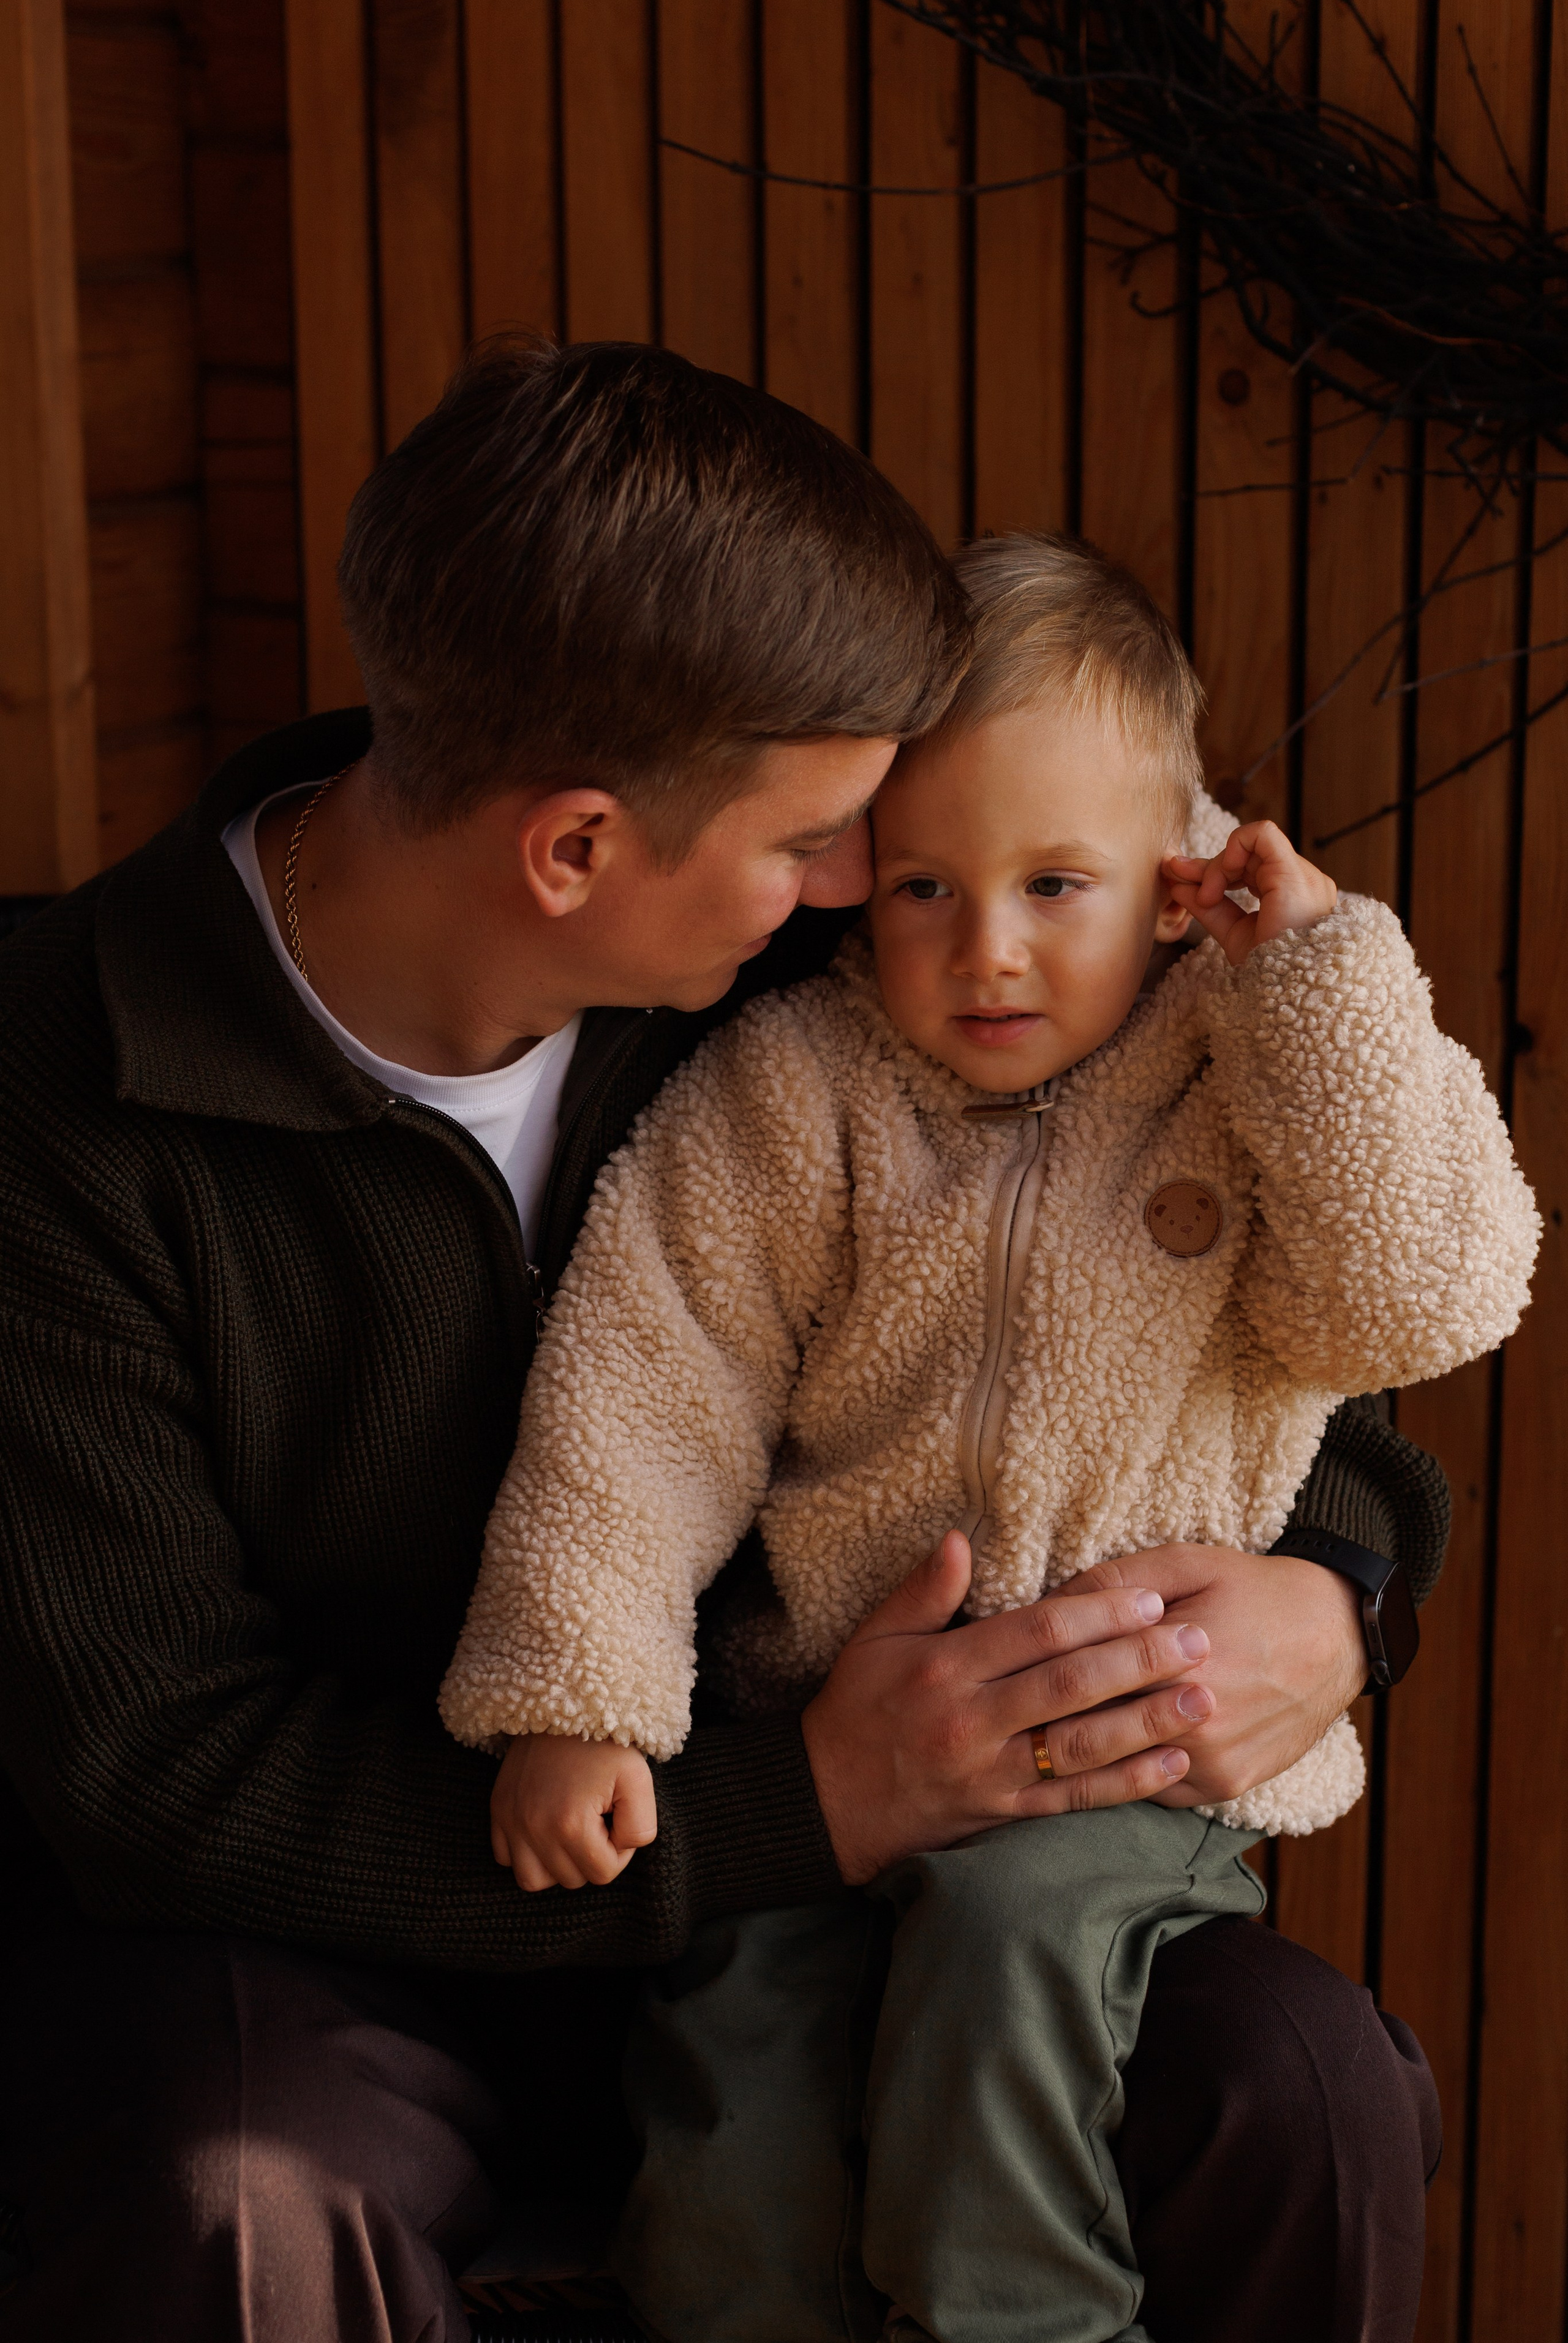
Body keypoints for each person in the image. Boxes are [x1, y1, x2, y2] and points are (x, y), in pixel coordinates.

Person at [0, 342, 1447, 2343]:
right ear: (576, 851)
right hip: (344, 1946)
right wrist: (791, 1811)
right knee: (239, 2174)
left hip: (904, 1896)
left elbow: (1184, 1307)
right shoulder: (62, 1099)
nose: (875, 893)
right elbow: (147, 1770)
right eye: (824, 841)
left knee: (1294, 2085)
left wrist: (1333, 1596)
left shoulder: (797, 965)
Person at [443, 530, 1536, 2343]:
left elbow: (1425, 1295)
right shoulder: (795, 1099)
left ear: (1182, 882)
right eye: (928, 887)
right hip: (821, 1750)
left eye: (1057, 884)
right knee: (734, 2067)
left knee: (1011, 1952)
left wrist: (1323, 979)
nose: (988, 950)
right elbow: (646, 1391)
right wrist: (577, 1688)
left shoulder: (1241, 1077)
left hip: (1120, 1772)